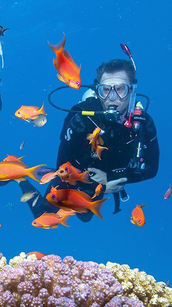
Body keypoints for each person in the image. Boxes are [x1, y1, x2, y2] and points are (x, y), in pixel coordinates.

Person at [24, 58, 160, 222]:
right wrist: (93, 182)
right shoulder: (81, 118)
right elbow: (62, 163)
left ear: (132, 90)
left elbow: (152, 169)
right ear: (98, 91)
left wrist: (111, 179)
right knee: (42, 217)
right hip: (79, 176)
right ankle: (22, 178)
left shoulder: (144, 122)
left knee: (86, 216)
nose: (112, 97)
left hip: (112, 178)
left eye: (121, 89)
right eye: (105, 90)